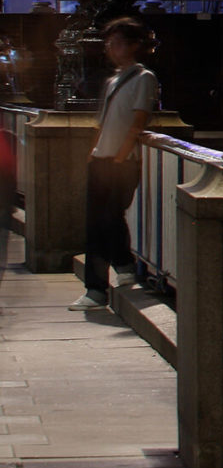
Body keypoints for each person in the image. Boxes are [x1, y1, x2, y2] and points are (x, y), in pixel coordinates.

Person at [72, 16, 159, 312]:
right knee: (99, 223)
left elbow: (138, 121)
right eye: (110, 42)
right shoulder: (113, 80)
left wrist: (120, 157)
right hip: (101, 159)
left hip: (120, 162)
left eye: (118, 42)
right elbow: (103, 122)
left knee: (106, 219)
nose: (111, 47)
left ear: (135, 46)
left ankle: (102, 286)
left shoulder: (143, 78)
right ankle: (114, 273)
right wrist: (93, 152)